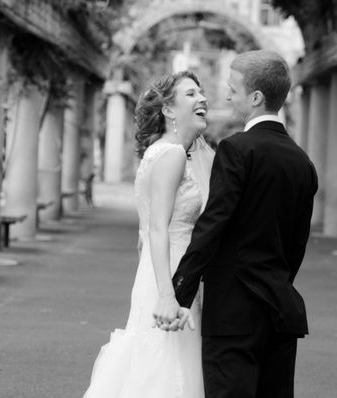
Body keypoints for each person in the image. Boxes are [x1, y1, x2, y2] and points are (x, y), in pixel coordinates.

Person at [167, 50, 318, 398]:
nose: (228, 95)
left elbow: (213, 224)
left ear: (255, 97)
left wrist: (179, 293)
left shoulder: (237, 150)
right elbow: (297, 244)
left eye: (233, 88)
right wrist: (275, 281)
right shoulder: (302, 162)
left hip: (233, 313)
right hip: (281, 309)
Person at [83, 70, 214, 398]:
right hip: (168, 272)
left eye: (201, 92)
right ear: (168, 109)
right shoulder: (170, 155)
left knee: (156, 354)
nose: (202, 98)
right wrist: (168, 295)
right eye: (190, 94)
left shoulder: (164, 150)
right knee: (166, 361)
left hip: (160, 268)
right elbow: (157, 230)